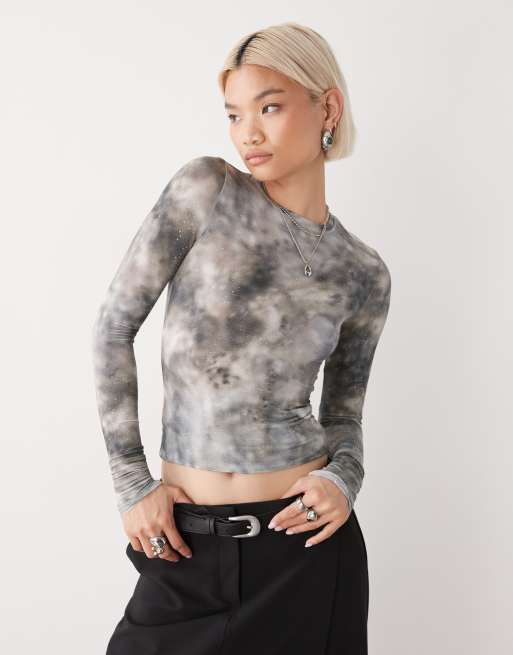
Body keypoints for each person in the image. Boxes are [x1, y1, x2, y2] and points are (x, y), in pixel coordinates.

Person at [91, 21, 391, 655]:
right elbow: (114, 328)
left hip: (305, 555)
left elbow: (343, 415)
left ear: (328, 108)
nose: (247, 132)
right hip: (183, 548)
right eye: (233, 113)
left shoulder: (363, 272)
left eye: (270, 107)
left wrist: (344, 478)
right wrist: (131, 483)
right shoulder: (207, 190)